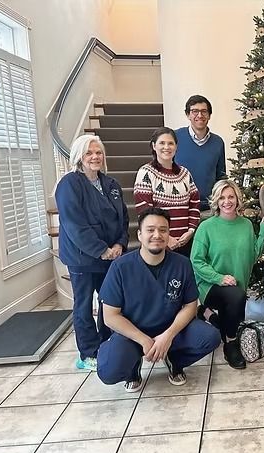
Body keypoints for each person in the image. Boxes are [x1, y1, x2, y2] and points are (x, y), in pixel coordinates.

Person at [96, 207, 221, 392]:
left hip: (170, 331)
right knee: (108, 370)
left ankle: (173, 360)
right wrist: (144, 340)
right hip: (132, 335)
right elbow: (110, 316)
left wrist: (168, 336)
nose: (157, 235)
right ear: (139, 235)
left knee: (210, 337)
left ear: (169, 234)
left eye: (163, 230)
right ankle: (132, 369)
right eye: (150, 230)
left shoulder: (182, 264)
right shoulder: (120, 267)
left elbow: (190, 306)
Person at [55, 135, 128, 371]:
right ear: (79, 157)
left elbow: (123, 219)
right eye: (89, 153)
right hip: (83, 258)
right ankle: (88, 352)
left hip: (111, 255)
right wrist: (101, 251)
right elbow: (75, 225)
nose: (95, 157)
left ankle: (106, 344)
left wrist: (119, 244)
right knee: (84, 305)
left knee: (109, 302)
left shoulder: (112, 185)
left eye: (98, 152)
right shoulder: (69, 185)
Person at [190, 180, 264, 369]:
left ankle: (210, 317)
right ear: (216, 201)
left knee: (234, 307)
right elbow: (196, 260)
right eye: (222, 197)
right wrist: (219, 278)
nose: (227, 201)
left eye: (231, 197)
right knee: (235, 297)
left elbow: (253, 253)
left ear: (237, 199)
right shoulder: (206, 227)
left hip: (235, 286)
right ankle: (230, 344)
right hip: (209, 285)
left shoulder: (246, 225)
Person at [134, 127, 200, 256]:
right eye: (162, 143)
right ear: (154, 146)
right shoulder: (146, 172)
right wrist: (167, 238)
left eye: (170, 143)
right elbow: (144, 210)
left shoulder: (185, 174)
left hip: (185, 243)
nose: (166, 147)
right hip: (158, 244)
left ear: (176, 147)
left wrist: (190, 231)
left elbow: (194, 204)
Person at [174, 95, 226, 212]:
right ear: (188, 115)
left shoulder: (218, 142)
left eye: (204, 111)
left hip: (210, 208)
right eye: (194, 111)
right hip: (181, 207)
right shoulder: (175, 138)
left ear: (209, 115)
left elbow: (221, 175)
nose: (200, 115)